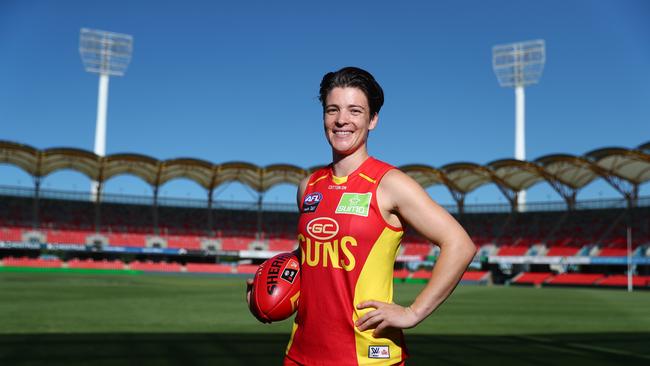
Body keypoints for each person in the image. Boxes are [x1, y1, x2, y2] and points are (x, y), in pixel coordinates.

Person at [249, 66, 476, 365]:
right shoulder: (308, 187)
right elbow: (310, 255)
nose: (342, 120)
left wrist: (414, 312)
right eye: (333, 110)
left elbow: (459, 244)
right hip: (300, 354)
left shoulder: (390, 184)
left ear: (373, 120)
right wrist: (269, 276)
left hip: (367, 356)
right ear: (324, 117)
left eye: (355, 111)